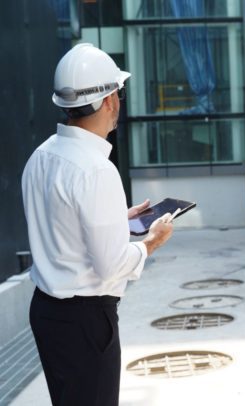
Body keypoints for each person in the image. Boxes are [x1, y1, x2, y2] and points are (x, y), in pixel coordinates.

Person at [22, 43, 174, 406]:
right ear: (110, 101)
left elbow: (58, 222)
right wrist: (151, 241)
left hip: (46, 310)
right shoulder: (97, 170)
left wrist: (116, 219)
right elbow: (111, 266)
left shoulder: (41, 156)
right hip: (85, 320)